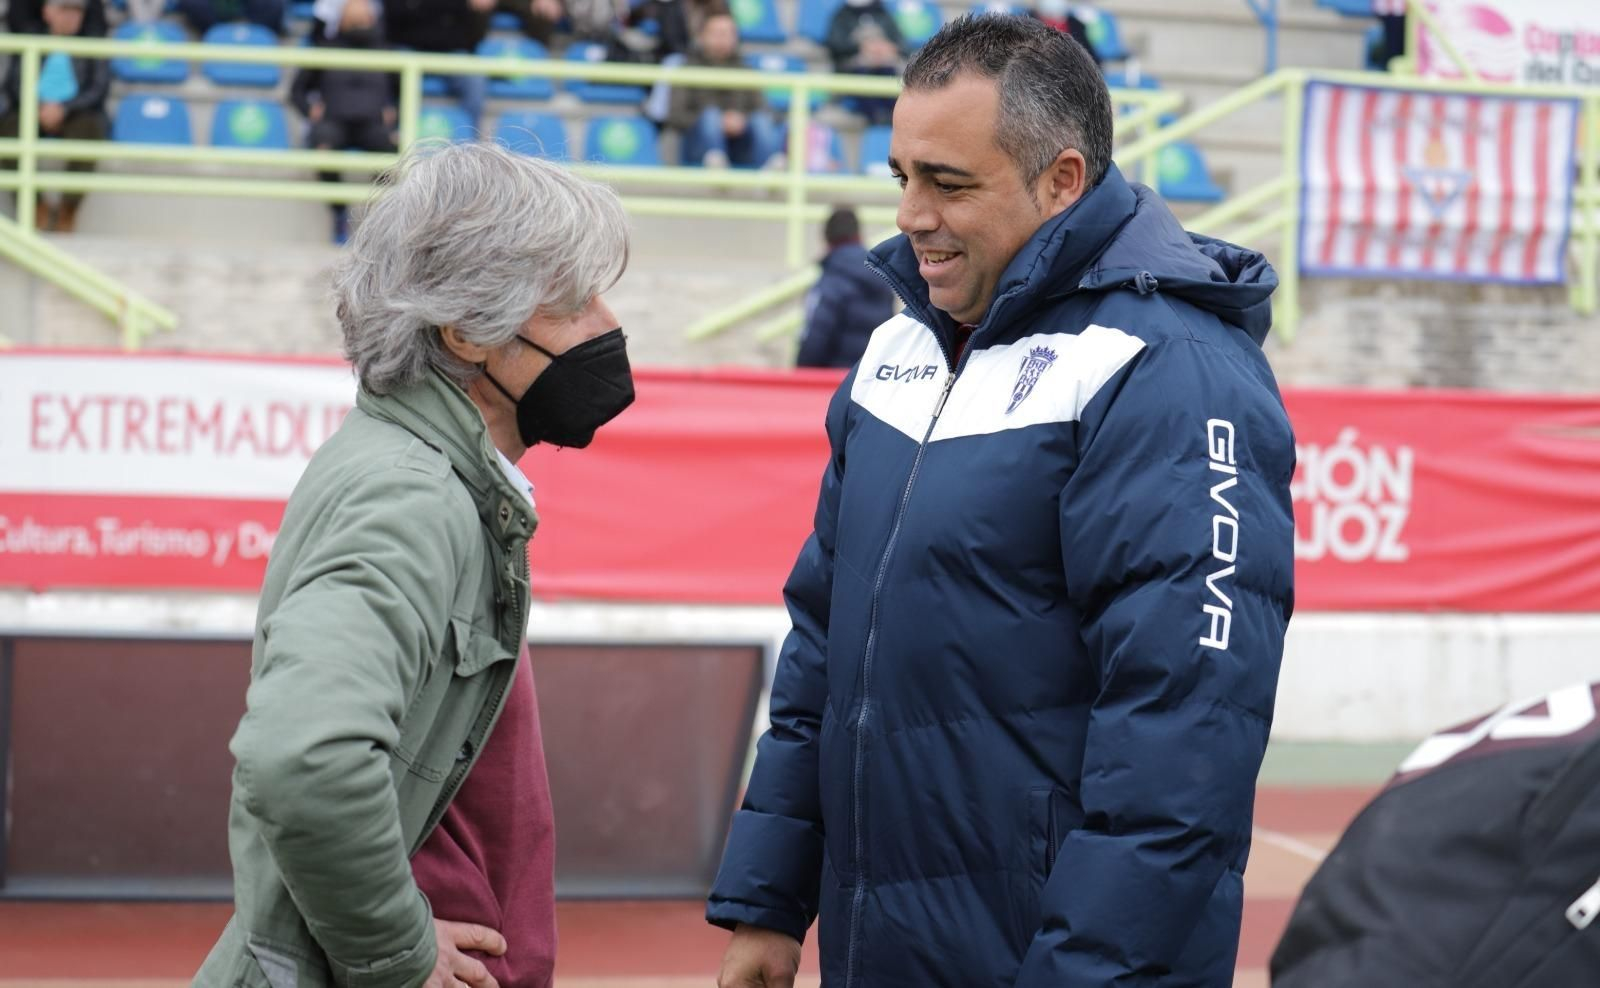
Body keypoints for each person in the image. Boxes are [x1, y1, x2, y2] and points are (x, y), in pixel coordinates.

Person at [707, 14, 1295, 988]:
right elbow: (824, 646)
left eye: (948, 183)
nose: (910, 214)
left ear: (1061, 181)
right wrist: (768, 901)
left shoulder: (1171, 369)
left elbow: (1183, 743)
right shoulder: (896, 347)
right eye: (902, 176)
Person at [192, 141, 635, 988]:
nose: (608, 325)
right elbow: (302, 759)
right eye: (573, 302)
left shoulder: (431, 477)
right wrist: (397, 950)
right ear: (467, 332)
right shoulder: (411, 494)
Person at [292, 0, 398, 244]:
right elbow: (297, 91)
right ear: (340, 19)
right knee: (323, 148)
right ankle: (340, 212)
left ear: (373, 18)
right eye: (353, 16)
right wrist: (310, 110)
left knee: (392, 155)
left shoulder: (385, 51)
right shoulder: (325, 49)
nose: (358, 21)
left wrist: (395, 116)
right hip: (334, 122)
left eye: (362, 16)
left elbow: (404, 90)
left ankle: (377, 217)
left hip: (372, 124)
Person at [0, 0, 110, 233]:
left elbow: (98, 88)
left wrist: (65, 108)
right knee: (10, 130)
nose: (71, 16)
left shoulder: (91, 44)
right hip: (33, 109)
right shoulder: (30, 40)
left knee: (89, 131)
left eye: (76, 11)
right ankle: (34, 206)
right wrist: (38, 106)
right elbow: (14, 84)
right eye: (65, 9)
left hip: (75, 111)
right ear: (47, 12)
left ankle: (67, 209)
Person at [667, 9, 781, 169]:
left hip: (740, 144)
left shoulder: (745, 70)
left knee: (760, 120)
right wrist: (719, 121)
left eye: (728, 33)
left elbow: (763, 108)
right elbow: (675, 116)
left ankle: (770, 168)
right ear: (702, 36)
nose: (723, 38)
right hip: (697, 145)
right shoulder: (686, 69)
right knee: (711, 116)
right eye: (717, 33)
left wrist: (740, 120)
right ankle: (715, 163)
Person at [796, 207, 896, 369]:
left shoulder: (829, 281)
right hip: (871, 376)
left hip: (833, 380)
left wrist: (800, 374)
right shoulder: (883, 278)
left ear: (827, 239)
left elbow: (814, 341)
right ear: (858, 235)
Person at [385, 0, 492, 128]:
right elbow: (394, 15)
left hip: (451, 51)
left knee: (475, 78)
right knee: (391, 69)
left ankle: (470, 135)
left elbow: (474, 32)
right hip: (407, 48)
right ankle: (397, 131)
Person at [824, 0, 905, 74]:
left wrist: (887, 48)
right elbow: (835, 45)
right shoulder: (842, 15)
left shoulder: (883, 13)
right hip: (854, 70)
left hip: (887, 68)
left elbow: (901, 43)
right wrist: (861, 48)